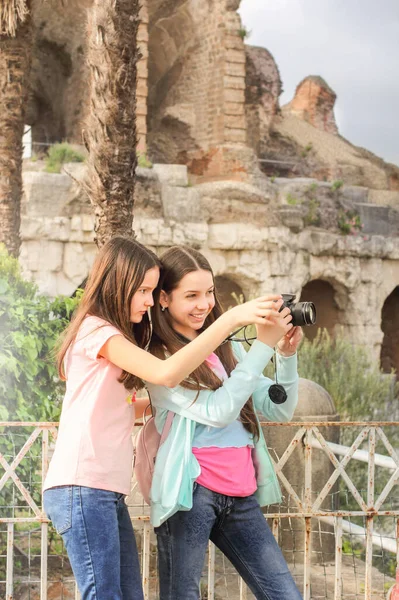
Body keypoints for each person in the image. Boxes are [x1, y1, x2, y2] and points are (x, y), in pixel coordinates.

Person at [42, 236, 285, 600]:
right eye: (142, 290)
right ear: (116, 283)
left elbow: (117, 405)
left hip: (102, 489)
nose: (149, 300)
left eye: (153, 290)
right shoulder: (98, 331)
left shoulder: (113, 336)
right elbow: (167, 373)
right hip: (81, 486)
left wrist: (166, 408)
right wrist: (231, 319)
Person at [146, 245, 304, 600]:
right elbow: (218, 410)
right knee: (182, 595)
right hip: (191, 492)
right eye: (191, 295)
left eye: (209, 292)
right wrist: (261, 346)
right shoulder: (160, 358)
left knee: (285, 595)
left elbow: (279, 410)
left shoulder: (229, 348)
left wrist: (285, 355)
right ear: (163, 299)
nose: (204, 304)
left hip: (241, 491)